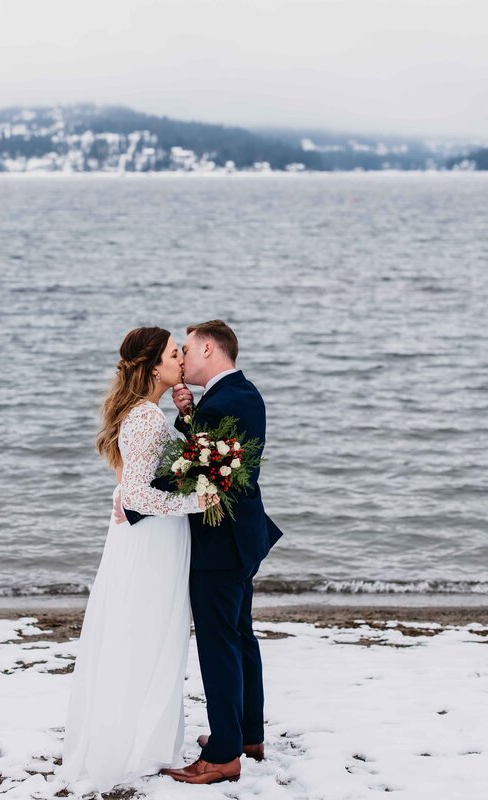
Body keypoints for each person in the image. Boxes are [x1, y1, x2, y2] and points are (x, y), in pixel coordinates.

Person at [57, 326, 219, 793]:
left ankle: (143, 741)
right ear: (154, 367)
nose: (182, 360)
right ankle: (137, 745)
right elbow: (138, 495)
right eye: (174, 354)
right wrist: (199, 501)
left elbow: (133, 482)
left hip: (149, 541)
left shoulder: (147, 412)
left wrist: (185, 417)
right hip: (152, 545)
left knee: (146, 633)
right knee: (148, 634)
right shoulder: (146, 417)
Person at [125, 319, 284, 786]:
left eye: (187, 349)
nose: (182, 358)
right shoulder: (238, 393)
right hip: (242, 538)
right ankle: (247, 734)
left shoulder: (226, 401)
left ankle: (223, 754)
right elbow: (215, 458)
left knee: (218, 646)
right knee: (239, 637)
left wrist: (134, 501)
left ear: (210, 349)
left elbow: (206, 476)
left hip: (220, 544)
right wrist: (190, 415)